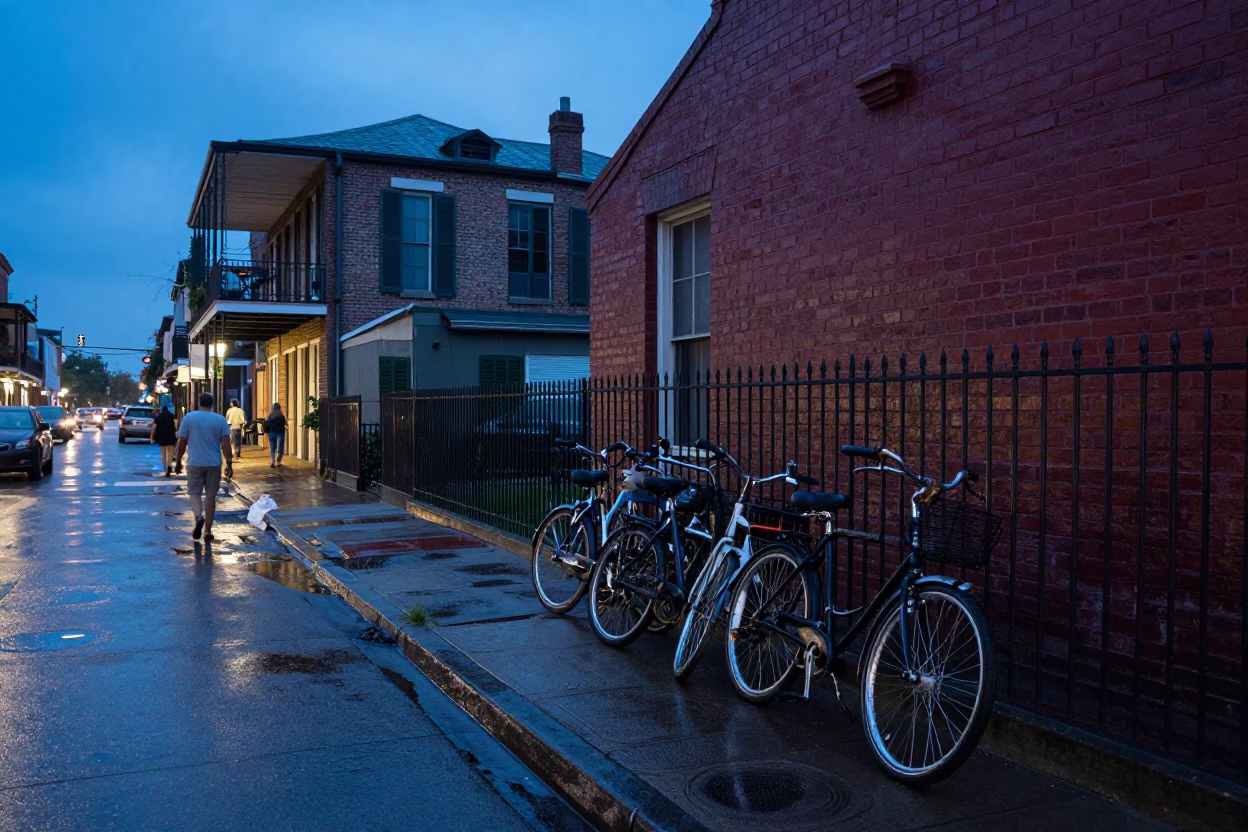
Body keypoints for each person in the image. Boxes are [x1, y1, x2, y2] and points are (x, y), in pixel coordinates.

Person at [173, 392, 232, 543]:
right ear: (212, 404)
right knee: (211, 497)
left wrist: (178, 461)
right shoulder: (220, 420)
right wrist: (229, 464)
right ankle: (207, 531)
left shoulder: (189, 418)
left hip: (195, 462)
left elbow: (181, 443)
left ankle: (199, 517)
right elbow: (226, 444)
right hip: (213, 463)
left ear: (198, 403)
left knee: (194, 494)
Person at [150, 405, 178, 476]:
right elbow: (176, 425)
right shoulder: (172, 416)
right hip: (171, 437)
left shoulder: (158, 417)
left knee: (163, 453)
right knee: (170, 452)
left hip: (161, 437)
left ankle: (165, 468)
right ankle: (169, 465)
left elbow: (154, 428)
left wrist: (151, 437)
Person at [264, 402, 287, 468]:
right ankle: (278, 461)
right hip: (280, 433)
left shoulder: (270, 416)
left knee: (272, 448)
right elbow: (283, 424)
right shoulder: (281, 416)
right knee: (280, 449)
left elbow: (268, 424)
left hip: (271, 433)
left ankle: (272, 462)